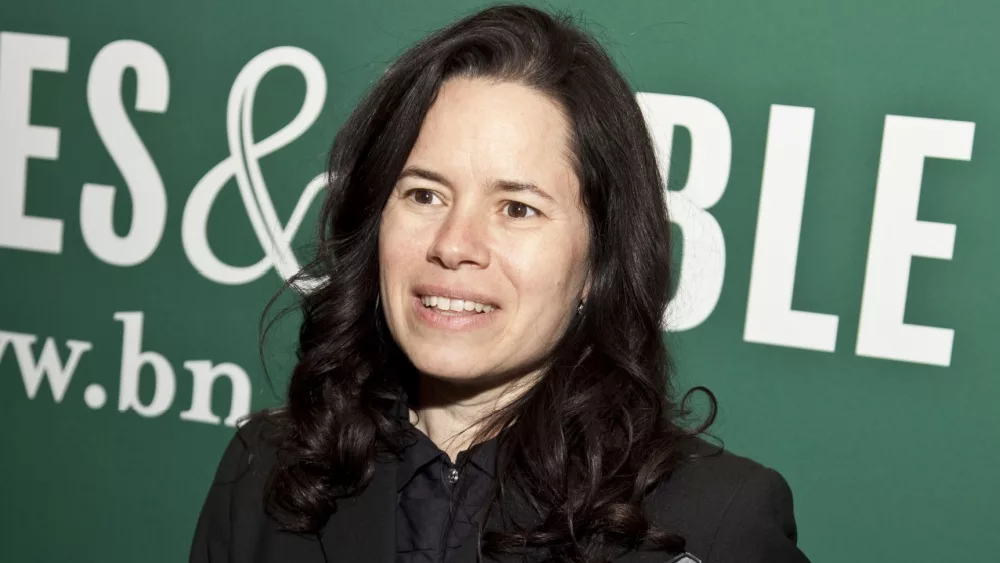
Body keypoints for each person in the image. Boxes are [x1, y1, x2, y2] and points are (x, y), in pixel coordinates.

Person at [190, 4, 809, 563]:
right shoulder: (266, 472)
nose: (453, 244)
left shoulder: (717, 525)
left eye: (517, 208)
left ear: (599, 261)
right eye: (425, 194)